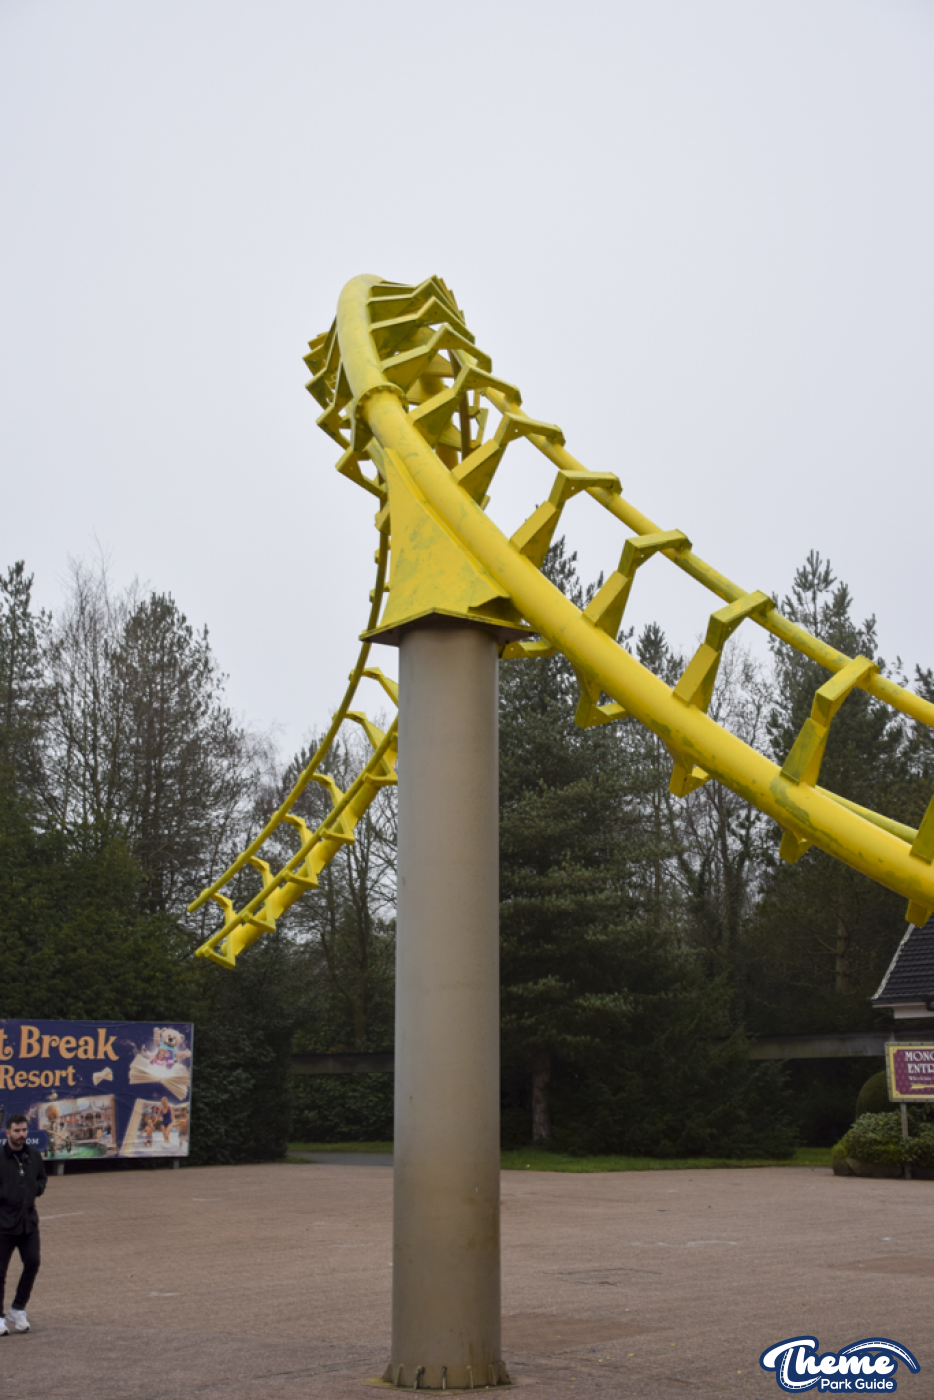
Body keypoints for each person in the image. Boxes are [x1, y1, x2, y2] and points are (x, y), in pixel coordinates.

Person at [0, 1114, 47, 1335]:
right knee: (0, 1272)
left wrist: (34, 1189)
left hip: (28, 1222)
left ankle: (18, 1308)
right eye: (16, 1131)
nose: (21, 1135)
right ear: (7, 1132)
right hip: (3, 1224)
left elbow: (41, 1179)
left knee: (33, 1262)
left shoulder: (34, 1155)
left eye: (24, 1131)